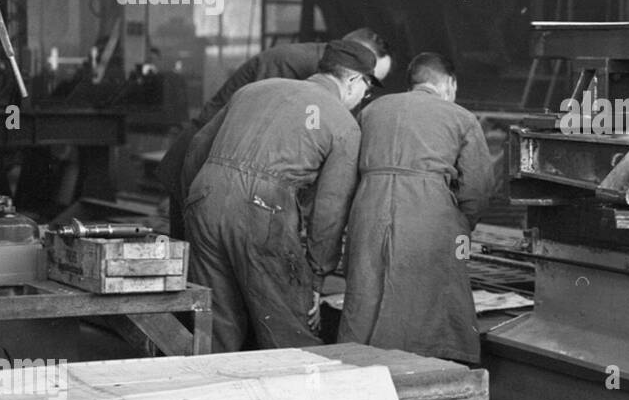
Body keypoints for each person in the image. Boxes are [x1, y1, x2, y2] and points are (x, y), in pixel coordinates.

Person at [180, 39, 375, 352]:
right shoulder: (343, 125)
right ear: (354, 81)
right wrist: (317, 277)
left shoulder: (254, 90)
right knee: (289, 328)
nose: (364, 98)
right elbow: (330, 211)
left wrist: (198, 200)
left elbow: (197, 148)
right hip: (263, 211)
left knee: (216, 325)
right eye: (367, 88)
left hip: (205, 198)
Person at [339, 52, 495, 365]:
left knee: (367, 290)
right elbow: (478, 188)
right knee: (429, 304)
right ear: (449, 84)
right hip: (429, 213)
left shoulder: (371, 110)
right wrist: (461, 224)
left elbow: (345, 170)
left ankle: (357, 369)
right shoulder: (461, 117)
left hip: (368, 207)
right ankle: (420, 378)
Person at [158, 28, 391, 236]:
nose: (363, 94)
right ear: (350, 68)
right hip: (200, 162)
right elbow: (255, 140)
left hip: (217, 171)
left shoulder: (315, 82)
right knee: (193, 253)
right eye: (366, 81)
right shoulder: (286, 64)